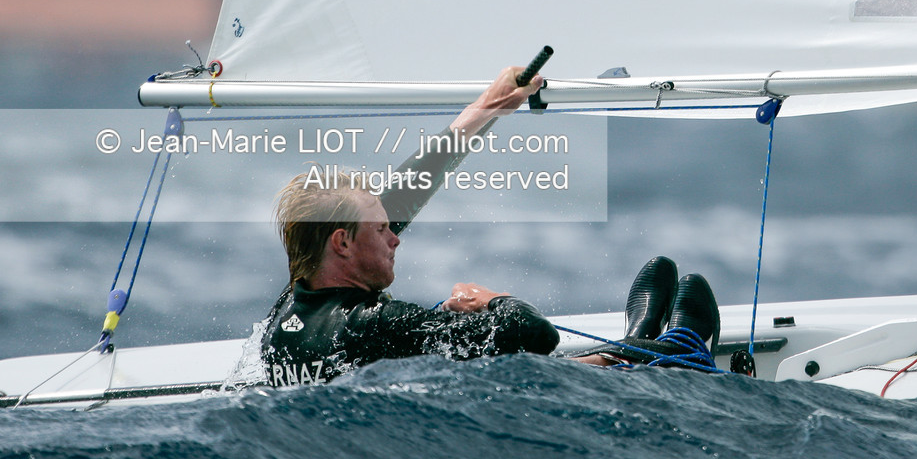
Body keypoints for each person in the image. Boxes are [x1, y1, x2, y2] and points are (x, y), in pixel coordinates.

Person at [260, 65, 722, 385]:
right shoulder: (376, 326)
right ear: (342, 243)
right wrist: (491, 300)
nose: (395, 236)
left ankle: (636, 341)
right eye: (382, 230)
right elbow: (535, 335)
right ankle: (657, 351)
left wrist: (488, 107)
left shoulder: (290, 310)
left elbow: (402, 194)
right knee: (514, 371)